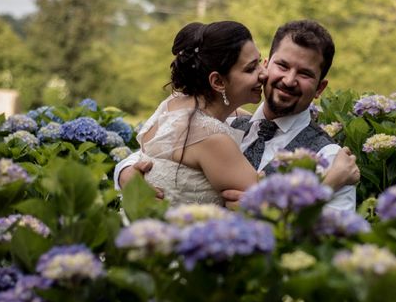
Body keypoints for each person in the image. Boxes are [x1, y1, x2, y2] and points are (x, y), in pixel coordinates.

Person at [115, 20, 358, 209]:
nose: (288, 80)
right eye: (281, 66)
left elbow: (331, 237)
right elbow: (146, 157)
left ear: (320, 88)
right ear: (268, 62)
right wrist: (126, 176)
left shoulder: (330, 158)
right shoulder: (221, 123)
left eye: (304, 74)